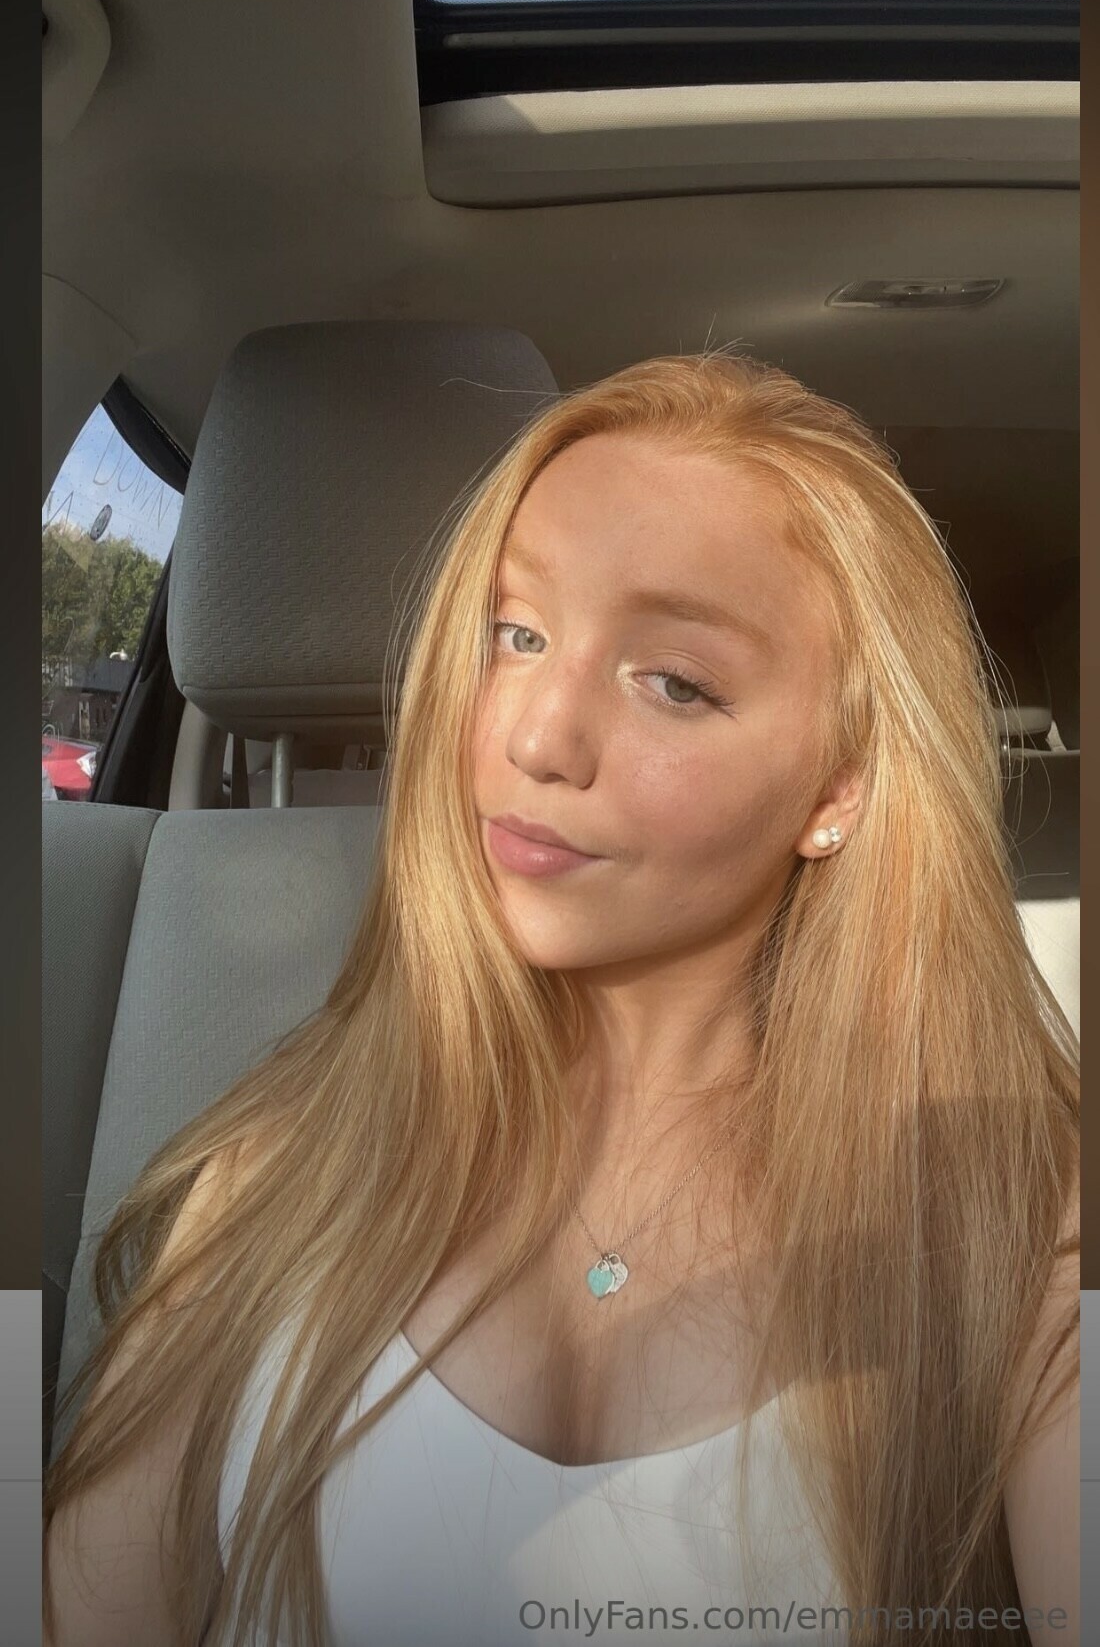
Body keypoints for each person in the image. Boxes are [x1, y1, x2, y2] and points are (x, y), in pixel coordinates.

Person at [43, 351, 1079, 1647]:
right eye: (514, 634)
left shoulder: (1013, 1222)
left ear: (838, 790)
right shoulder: (271, 1172)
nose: (533, 736)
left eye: (674, 681)